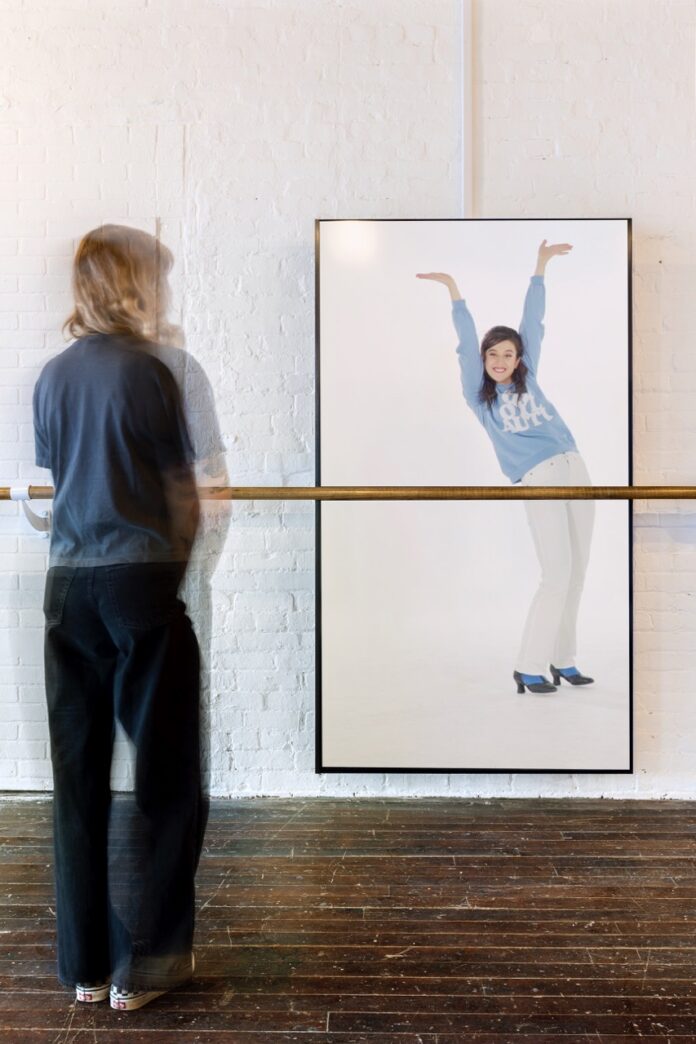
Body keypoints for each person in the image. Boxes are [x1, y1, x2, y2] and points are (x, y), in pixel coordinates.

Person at [33, 224, 205, 1010]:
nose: (162, 295)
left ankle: (87, 967)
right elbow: (179, 492)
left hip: (68, 590)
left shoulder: (51, 377)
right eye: (155, 280)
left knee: (78, 785)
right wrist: (170, 574)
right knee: (168, 781)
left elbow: (61, 482)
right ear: (132, 283)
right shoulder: (151, 373)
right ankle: (153, 962)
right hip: (138, 585)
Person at [417, 240, 595, 695]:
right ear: (484, 359)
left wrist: (541, 266)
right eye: (493, 355)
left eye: (508, 355)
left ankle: (564, 659)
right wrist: (454, 292)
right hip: (539, 477)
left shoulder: (528, 374)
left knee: (576, 572)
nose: (500, 362)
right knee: (556, 572)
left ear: (519, 359)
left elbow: (532, 320)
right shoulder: (479, 394)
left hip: (575, 466)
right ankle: (528, 665)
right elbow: (464, 340)